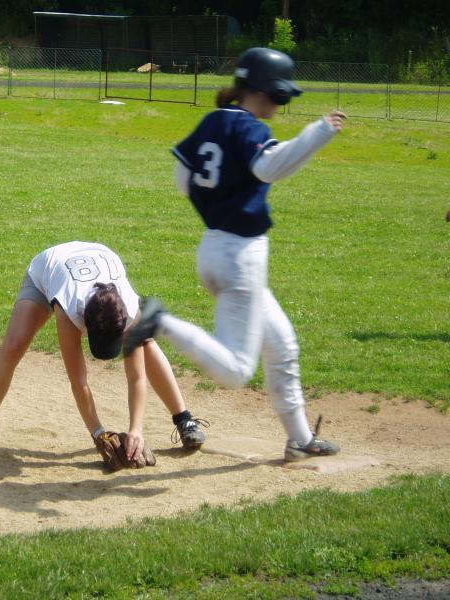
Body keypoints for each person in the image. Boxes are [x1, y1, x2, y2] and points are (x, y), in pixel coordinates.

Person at [123, 47, 345, 462]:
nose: (283, 104)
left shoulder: (215, 120)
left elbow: (183, 175)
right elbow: (269, 168)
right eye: (281, 96)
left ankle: (300, 438)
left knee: (281, 345)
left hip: (216, 247)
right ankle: (161, 321)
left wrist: (216, 204)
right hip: (240, 257)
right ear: (263, 90)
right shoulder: (248, 129)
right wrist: (319, 133)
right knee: (238, 371)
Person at [0, 241, 207, 463]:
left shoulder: (130, 310)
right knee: (14, 345)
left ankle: (184, 420)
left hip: (96, 258)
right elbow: (78, 381)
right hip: (49, 268)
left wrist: (136, 430)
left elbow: (136, 377)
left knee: (147, 345)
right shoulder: (68, 309)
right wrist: (98, 433)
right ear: (84, 324)